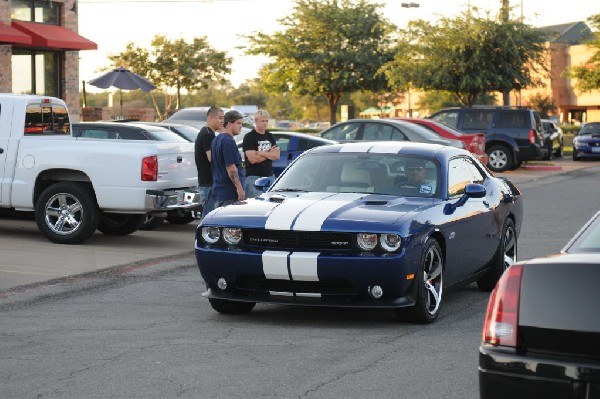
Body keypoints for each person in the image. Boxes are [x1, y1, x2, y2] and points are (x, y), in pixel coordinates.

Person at [211, 110, 246, 208]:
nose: (241, 126)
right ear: (230, 123)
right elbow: (231, 167)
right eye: (238, 123)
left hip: (219, 193)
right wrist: (239, 189)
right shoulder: (228, 141)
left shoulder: (216, 139)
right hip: (229, 194)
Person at [242, 109, 280, 198]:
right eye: (262, 121)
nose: (265, 123)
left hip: (270, 176)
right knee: (254, 205)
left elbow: (277, 156)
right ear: (256, 121)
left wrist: (260, 153)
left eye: (266, 121)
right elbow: (252, 159)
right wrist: (269, 154)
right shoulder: (249, 137)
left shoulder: (270, 136)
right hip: (254, 177)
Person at [194, 106, 223, 217]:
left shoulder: (207, 132)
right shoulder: (207, 134)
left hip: (208, 183)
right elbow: (212, 158)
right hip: (208, 184)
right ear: (211, 117)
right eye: (220, 118)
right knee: (208, 219)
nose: (222, 121)